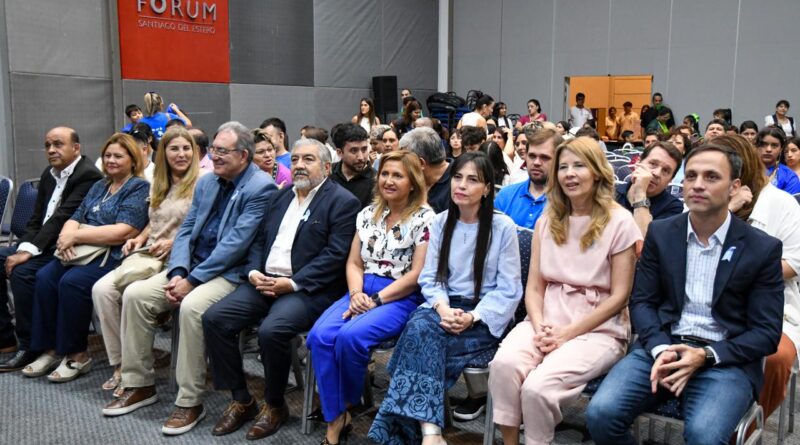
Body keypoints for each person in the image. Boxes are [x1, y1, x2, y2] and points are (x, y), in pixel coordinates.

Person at [586, 144, 785, 445]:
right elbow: (642, 302)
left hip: (724, 360)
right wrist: (659, 348)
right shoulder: (662, 233)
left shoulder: (761, 248)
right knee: (601, 415)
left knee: (704, 437)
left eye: (711, 177)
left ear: (734, 188)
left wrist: (705, 355)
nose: (698, 185)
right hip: (663, 346)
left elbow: (766, 333)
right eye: (691, 176)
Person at [101, 122, 276, 436]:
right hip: (191, 267)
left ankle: (189, 401)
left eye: (222, 151)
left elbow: (236, 244)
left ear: (243, 156)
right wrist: (179, 271)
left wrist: (191, 281)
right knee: (136, 295)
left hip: (230, 273)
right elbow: (185, 232)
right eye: (214, 150)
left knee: (191, 307)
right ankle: (139, 384)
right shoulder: (207, 183)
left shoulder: (260, 187)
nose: (214, 156)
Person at [201, 138, 361, 439]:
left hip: (307, 289)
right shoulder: (281, 196)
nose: (299, 165)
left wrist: (292, 282)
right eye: (295, 159)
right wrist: (253, 272)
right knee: (215, 319)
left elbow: (335, 255)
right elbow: (259, 240)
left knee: (271, 331)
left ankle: (275, 405)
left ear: (327, 167)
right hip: (264, 281)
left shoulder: (342, 201)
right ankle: (242, 399)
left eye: (308, 159)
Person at [489, 136, 641, 445]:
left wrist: (566, 334)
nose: (569, 174)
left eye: (579, 166)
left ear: (597, 172)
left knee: (537, 388)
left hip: (599, 327)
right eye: (563, 167)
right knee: (503, 366)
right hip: (547, 317)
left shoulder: (620, 221)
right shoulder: (548, 220)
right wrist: (539, 324)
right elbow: (534, 287)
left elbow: (620, 297)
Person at [368, 152, 522, 445]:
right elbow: (431, 278)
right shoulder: (439, 222)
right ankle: (431, 433)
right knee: (420, 329)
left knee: (416, 344)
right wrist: (443, 309)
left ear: (487, 189)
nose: (461, 185)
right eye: (457, 177)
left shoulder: (503, 227)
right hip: (444, 306)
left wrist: (472, 316)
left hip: (484, 314)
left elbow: (509, 288)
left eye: (472, 180)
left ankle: (414, 432)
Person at [306, 150, 434, 445]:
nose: (388, 180)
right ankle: (338, 414)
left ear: (413, 182)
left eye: (398, 175)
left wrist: (375, 300)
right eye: (385, 174)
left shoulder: (425, 218)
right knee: (319, 337)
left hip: (400, 294)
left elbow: (416, 275)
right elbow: (354, 263)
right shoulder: (367, 214)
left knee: (350, 338)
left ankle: (343, 409)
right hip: (360, 288)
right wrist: (356, 294)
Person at [23, 133, 150, 381]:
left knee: (72, 282)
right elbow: (75, 216)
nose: (111, 160)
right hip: (82, 251)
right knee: (45, 277)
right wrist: (66, 235)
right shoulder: (99, 185)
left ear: (133, 160)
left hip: (113, 255)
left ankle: (77, 355)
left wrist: (77, 236)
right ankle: (50, 350)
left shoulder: (138, 187)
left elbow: (124, 231)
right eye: (107, 155)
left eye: (118, 156)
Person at [91, 127, 203, 395]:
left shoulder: (203, 183)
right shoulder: (159, 182)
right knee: (102, 290)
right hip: (150, 254)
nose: (181, 154)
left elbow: (205, 228)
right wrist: (140, 238)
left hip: (181, 258)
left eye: (186, 148)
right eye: (174, 148)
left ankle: (136, 370)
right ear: (163, 152)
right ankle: (120, 363)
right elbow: (156, 220)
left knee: (133, 293)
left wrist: (173, 243)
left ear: (195, 152)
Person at [0, 127, 103, 371]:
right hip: (42, 244)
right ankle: (5, 338)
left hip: (64, 247)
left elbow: (61, 219)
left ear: (76, 148)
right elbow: (37, 218)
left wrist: (27, 252)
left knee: (22, 272)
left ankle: (30, 345)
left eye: (58, 144)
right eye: (47, 145)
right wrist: (24, 247)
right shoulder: (50, 173)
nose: (51, 150)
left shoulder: (88, 176)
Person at [721, 134, 800, 422]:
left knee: (776, 357)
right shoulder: (706, 199)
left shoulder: (783, 204)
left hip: (769, 304)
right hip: (707, 304)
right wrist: (726, 211)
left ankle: (745, 428)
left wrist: (735, 273)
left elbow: (792, 264)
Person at [495, 128, 562, 229]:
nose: (536, 162)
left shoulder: (567, 203)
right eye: (532, 156)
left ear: (559, 160)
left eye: (544, 157)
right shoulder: (505, 195)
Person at [616, 142, 684, 237]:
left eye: (666, 170)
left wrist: (640, 193)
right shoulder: (611, 193)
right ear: (638, 163)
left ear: (670, 180)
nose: (657, 173)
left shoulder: (673, 207)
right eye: (653, 164)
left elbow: (645, 242)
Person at [399, 127, 451, 213]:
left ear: (421, 163)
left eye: (404, 160)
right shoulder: (411, 180)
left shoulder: (459, 185)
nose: (401, 164)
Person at [330, 123, 376, 208]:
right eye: (354, 151)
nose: (361, 157)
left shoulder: (376, 179)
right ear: (340, 153)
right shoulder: (328, 174)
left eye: (364, 149)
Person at [756, 126, 800, 194]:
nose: (768, 149)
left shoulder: (789, 177)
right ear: (757, 146)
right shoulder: (745, 171)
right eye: (764, 145)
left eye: (774, 145)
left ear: (781, 149)